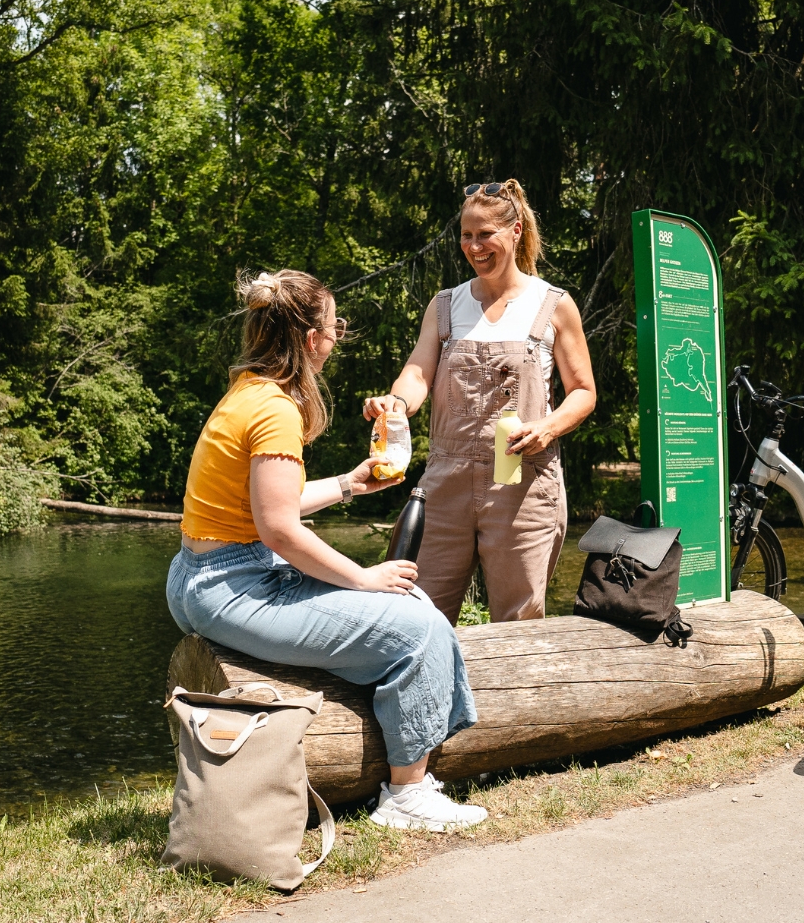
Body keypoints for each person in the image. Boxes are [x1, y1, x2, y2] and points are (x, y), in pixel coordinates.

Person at [166, 268, 486, 831]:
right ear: (312, 339)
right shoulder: (276, 410)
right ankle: (407, 795)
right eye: (335, 328)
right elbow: (280, 530)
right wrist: (363, 578)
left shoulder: (248, 392)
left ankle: (410, 768)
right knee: (420, 628)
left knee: (409, 606)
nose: (337, 338)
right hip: (234, 587)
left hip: (198, 578)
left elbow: (266, 505)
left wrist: (348, 483)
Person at [364, 180, 596, 624]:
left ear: (516, 231)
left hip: (522, 484)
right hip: (445, 482)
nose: (474, 246)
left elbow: (584, 391)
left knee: (518, 620)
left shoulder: (553, 305)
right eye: (466, 235)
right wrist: (395, 402)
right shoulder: (445, 305)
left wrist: (547, 427)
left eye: (485, 234)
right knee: (417, 612)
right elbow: (417, 374)